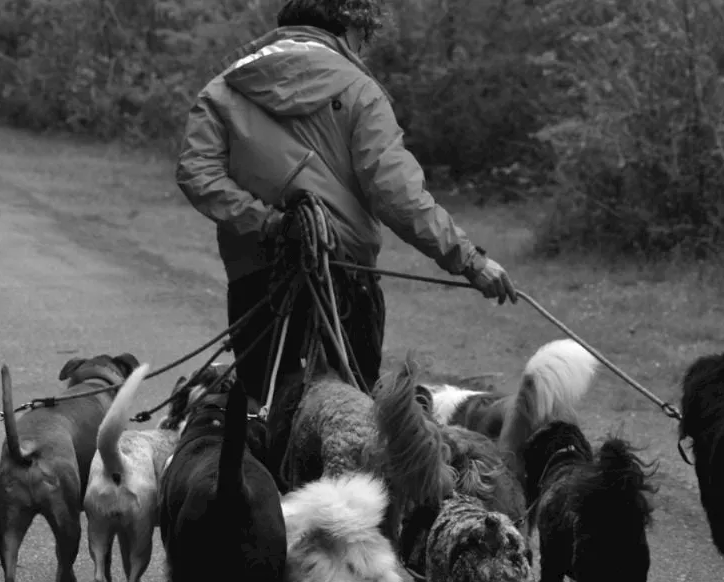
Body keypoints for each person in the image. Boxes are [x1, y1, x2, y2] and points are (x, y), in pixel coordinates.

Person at [175, 0, 517, 403]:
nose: (362, 50)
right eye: (363, 38)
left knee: (262, 411)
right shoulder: (359, 90)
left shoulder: (223, 89)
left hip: (257, 279)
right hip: (344, 279)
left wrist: (266, 223)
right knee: (348, 416)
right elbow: (396, 193)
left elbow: (197, 172)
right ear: (350, 28)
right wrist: (469, 260)